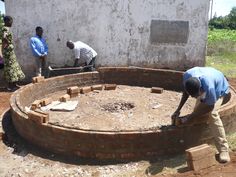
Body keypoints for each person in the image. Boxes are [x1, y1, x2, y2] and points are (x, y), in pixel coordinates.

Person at [172, 67, 231, 163]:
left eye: (196, 95)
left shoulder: (209, 87)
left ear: (200, 88)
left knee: (212, 114)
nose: (195, 97)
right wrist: (178, 110)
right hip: (208, 79)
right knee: (197, 113)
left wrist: (191, 116)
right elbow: (186, 93)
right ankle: (196, 141)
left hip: (219, 89)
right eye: (193, 96)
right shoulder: (187, 76)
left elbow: (210, 106)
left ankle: (223, 150)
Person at [0, 16, 25, 91]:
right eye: (11, 21)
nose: (12, 23)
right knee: (10, 68)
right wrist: (8, 43)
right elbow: (4, 37)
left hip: (9, 51)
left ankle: (14, 84)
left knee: (13, 67)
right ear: (7, 21)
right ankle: (10, 86)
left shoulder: (6, 28)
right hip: (8, 52)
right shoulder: (5, 28)